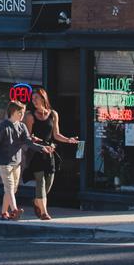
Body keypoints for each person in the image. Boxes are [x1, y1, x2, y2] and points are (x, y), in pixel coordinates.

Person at [24, 87, 77, 221]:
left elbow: (56, 134)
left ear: (43, 98)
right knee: (40, 182)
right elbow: (27, 137)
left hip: (50, 153)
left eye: (36, 98)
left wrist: (68, 140)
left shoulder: (53, 114)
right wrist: (34, 140)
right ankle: (44, 212)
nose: (34, 101)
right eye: (32, 98)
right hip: (36, 152)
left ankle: (37, 201)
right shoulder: (30, 116)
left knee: (49, 183)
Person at [0, 99, 31, 220]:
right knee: (10, 187)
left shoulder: (22, 126)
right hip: (5, 162)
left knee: (12, 188)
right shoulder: (4, 126)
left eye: (23, 113)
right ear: (13, 112)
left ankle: (3, 213)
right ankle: (15, 210)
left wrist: (42, 147)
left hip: (16, 162)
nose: (22, 115)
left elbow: (28, 141)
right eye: (20, 113)